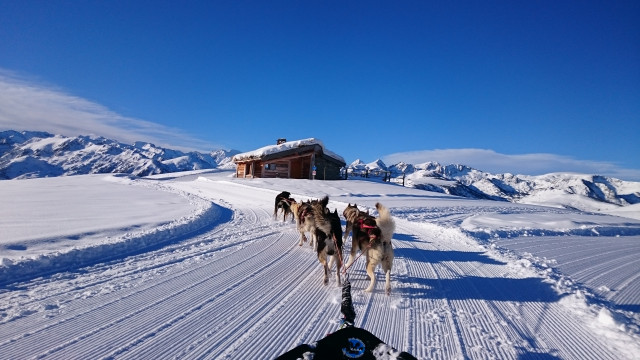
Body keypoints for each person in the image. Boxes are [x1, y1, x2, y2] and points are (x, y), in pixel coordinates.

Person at [275, 279, 417, 360]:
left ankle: (346, 293)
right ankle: (346, 295)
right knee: (348, 316)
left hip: (343, 337)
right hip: (355, 335)